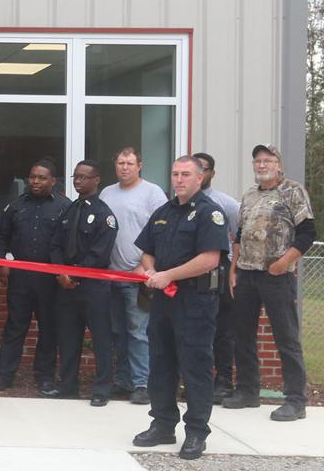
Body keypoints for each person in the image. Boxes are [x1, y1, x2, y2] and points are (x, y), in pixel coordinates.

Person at [131, 156, 229, 460]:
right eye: (175, 173)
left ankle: (197, 433)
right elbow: (146, 253)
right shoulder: (163, 212)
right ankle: (162, 424)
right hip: (163, 301)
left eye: (186, 174)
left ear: (200, 178)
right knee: (160, 364)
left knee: (195, 367)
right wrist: (149, 270)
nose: (179, 179)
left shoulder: (209, 213)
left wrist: (168, 275)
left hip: (195, 302)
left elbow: (210, 259)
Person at [223, 144, 313, 421]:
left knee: (285, 338)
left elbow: (307, 233)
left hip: (276, 276)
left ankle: (296, 400)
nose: (262, 165)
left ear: (279, 165)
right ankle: (248, 391)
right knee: (243, 336)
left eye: (268, 160)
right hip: (246, 275)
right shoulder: (249, 195)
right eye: (258, 161)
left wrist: (283, 263)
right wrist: (233, 269)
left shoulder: (292, 191)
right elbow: (239, 234)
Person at [0, 159, 70, 395]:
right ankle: (3, 376)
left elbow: (70, 243)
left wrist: (63, 270)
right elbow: (0, 236)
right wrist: (2, 262)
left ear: (53, 181)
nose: (35, 181)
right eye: (32, 177)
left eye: (41, 177)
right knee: (15, 327)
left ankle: (44, 377)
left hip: (49, 279)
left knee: (48, 329)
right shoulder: (15, 206)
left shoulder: (65, 207)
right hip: (21, 277)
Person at [100, 147, 167, 405]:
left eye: (129, 163)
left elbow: (162, 232)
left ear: (140, 165)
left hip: (138, 275)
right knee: (118, 332)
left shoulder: (153, 193)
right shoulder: (107, 193)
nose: (124, 167)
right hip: (111, 275)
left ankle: (142, 383)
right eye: (120, 163)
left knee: (139, 331)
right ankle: (124, 380)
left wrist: (146, 265)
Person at [51, 160, 117, 406]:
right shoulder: (68, 210)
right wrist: (60, 273)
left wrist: (74, 275)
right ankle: (68, 385)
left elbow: (100, 254)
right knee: (68, 338)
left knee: (100, 339)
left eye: (83, 177)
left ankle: (101, 389)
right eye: (75, 177)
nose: (78, 181)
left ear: (96, 179)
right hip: (66, 287)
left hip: (93, 288)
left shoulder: (104, 214)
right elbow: (55, 244)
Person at [192, 152, 242, 403]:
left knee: (222, 330)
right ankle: (196, 381)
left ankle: (223, 381)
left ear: (211, 173)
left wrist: (233, 271)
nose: (199, 174)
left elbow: (238, 239)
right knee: (197, 329)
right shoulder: (180, 203)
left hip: (219, 272)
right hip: (190, 273)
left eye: (204, 169)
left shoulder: (227, 204)